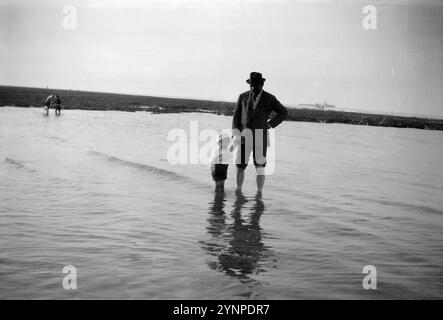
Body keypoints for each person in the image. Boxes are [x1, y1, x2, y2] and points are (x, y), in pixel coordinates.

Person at [232, 72, 288, 194]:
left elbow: (283, 112)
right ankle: (238, 191)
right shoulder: (242, 96)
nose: (253, 88)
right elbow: (236, 117)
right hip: (243, 136)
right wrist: (236, 134)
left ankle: (259, 194)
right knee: (240, 165)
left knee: (260, 167)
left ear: (261, 85)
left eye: (256, 85)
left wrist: (270, 124)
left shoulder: (270, 98)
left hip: (260, 136)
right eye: (251, 85)